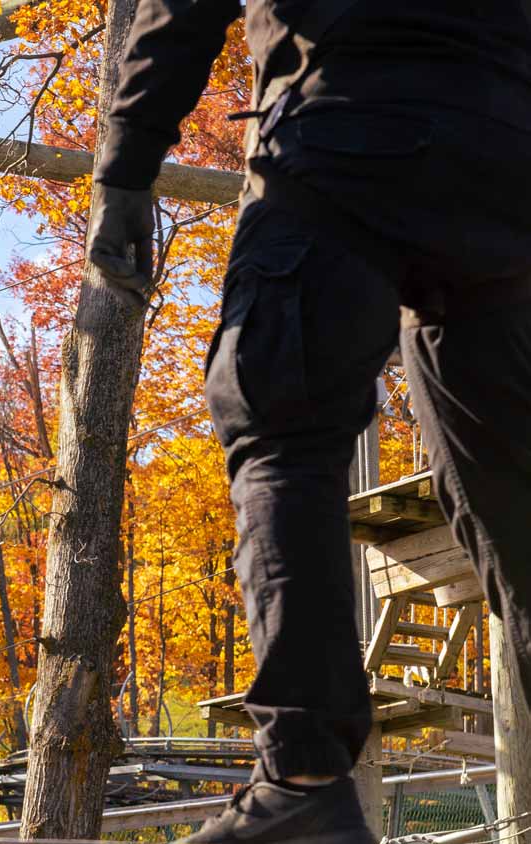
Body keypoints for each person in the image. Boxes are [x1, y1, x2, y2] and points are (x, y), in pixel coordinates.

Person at [87, 1, 531, 842]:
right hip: (505, 160)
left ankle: (303, 776)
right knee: (514, 490)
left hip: (342, 129)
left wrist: (125, 168)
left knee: (279, 423)